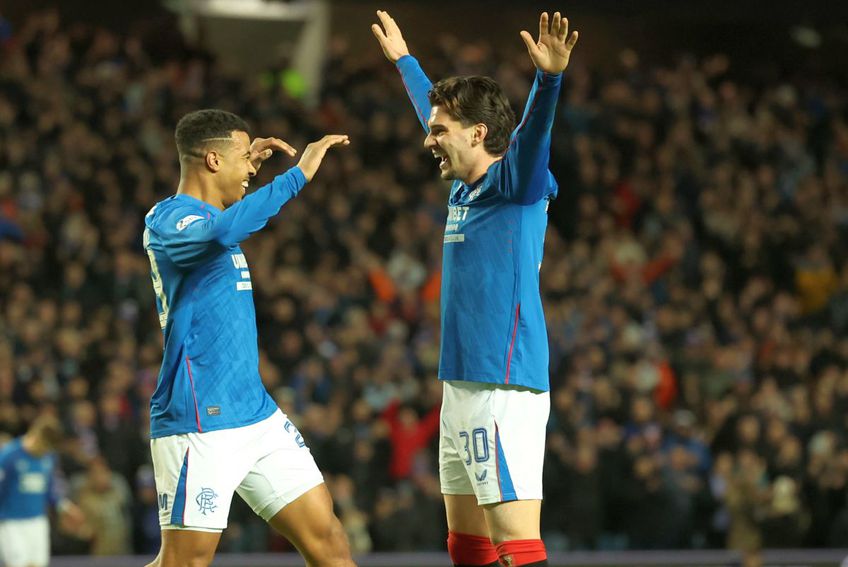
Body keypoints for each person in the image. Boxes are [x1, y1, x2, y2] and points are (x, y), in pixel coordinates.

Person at [372, 10, 578, 567]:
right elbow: (431, 113)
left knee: (516, 545)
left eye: (440, 131)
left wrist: (549, 79)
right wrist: (406, 63)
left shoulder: (517, 185)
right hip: (461, 384)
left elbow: (535, 136)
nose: (428, 140)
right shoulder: (467, 188)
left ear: (479, 134)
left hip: (502, 385)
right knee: (467, 545)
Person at [142, 109, 355, 567]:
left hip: (255, 413)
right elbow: (223, 231)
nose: (253, 168)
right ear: (213, 161)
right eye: (244, 158)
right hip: (199, 417)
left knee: (328, 539)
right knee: (184, 563)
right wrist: (297, 176)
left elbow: (225, 224)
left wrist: (242, 157)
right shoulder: (169, 220)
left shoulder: (210, 219)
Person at [0, 414, 85, 567]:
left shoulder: (48, 458)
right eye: (45, 446)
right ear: (36, 435)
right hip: (12, 523)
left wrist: (65, 507)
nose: (45, 451)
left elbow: (49, 491)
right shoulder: (9, 456)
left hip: (38, 522)